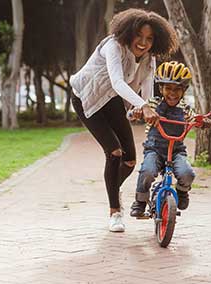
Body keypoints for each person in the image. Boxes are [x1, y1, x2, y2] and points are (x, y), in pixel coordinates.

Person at [70, 8, 178, 232]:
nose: (143, 42)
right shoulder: (113, 46)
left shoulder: (149, 58)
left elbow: (148, 89)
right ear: (128, 32)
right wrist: (142, 106)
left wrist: (145, 108)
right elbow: (118, 82)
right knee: (114, 152)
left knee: (129, 160)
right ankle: (115, 212)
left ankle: (112, 188)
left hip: (111, 101)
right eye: (139, 36)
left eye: (149, 39)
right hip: (86, 98)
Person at [130, 61, 211, 217]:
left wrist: (202, 122)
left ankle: (182, 192)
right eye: (168, 88)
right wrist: (136, 113)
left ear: (184, 90)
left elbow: (194, 118)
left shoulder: (185, 108)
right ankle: (140, 200)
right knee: (147, 171)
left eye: (177, 89)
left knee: (188, 173)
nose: (172, 93)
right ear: (161, 88)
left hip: (176, 151)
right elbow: (138, 111)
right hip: (154, 149)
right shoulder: (153, 104)